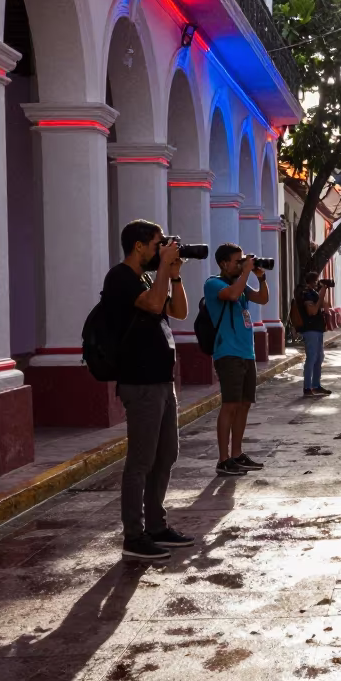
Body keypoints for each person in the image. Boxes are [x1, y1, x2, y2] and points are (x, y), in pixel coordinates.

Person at [100, 219, 194, 561]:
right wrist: (164, 274)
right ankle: (134, 535)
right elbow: (155, 306)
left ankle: (156, 525)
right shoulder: (120, 278)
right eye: (158, 245)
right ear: (139, 246)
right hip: (139, 382)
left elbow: (179, 312)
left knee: (166, 453)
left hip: (161, 380)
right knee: (140, 460)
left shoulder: (147, 278)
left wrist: (175, 273)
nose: (161, 250)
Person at [205, 244, 269, 476]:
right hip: (228, 352)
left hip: (246, 353)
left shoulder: (241, 285)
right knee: (230, 405)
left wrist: (260, 278)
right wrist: (245, 273)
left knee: (243, 405)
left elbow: (262, 299)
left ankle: (237, 454)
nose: (241, 264)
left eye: (243, 260)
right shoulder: (214, 283)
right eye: (237, 261)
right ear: (223, 264)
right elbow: (231, 295)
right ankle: (223, 459)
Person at [300, 272, 333, 397]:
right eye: (317, 281)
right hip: (310, 330)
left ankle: (316, 385)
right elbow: (312, 311)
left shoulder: (313, 293)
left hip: (318, 329)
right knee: (311, 358)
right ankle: (307, 387)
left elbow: (326, 306)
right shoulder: (306, 294)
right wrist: (320, 295)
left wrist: (322, 291)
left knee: (319, 358)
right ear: (312, 282)